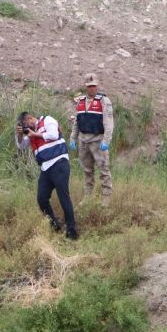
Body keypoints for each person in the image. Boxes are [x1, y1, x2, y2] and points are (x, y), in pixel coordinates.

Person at [17, 110, 78, 240]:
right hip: (45, 168)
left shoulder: (47, 120)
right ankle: (55, 224)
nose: (25, 127)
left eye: (25, 124)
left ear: (30, 118)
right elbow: (21, 146)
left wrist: (35, 134)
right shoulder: (31, 133)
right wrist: (20, 135)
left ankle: (72, 231)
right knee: (41, 198)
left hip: (59, 162)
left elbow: (54, 135)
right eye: (23, 126)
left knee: (63, 197)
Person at [67, 73, 114, 204]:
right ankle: (88, 197)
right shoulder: (81, 101)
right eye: (89, 86)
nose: (92, 88)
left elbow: (109, 123)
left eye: (94, 86)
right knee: (87, 171)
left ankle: (106, 198)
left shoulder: (104, 101)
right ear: (85, 87)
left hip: (98, 140)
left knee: (104, 170)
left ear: (97, 86)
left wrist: (106, 141)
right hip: (83, 141)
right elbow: (77, 122)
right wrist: (73, 138)